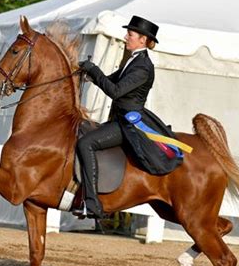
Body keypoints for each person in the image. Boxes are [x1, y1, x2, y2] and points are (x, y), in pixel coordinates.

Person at [75, 15, 183, 219]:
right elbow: (106, 81)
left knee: (86, 144)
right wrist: (84, 73)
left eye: (130, 34)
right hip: (118, 119)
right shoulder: (131, 61)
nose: (126, 37)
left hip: (128, 124)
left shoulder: (143, 67)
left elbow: (115, 91)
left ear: (142, 39)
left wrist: (94, 70)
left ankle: (92, 203)